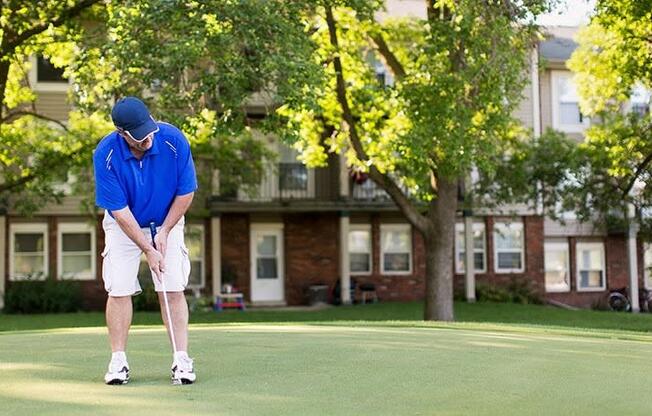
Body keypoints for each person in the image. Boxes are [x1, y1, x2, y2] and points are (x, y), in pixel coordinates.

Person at [93, 96, 198, 385]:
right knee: (119, 288)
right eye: (139, 136)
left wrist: (163, 232)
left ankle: (181, 359)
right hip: (123, 225)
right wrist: (147, 248)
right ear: (122, 133)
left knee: (173, 286)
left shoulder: (173, 140)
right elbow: (119, 212)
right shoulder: (106, 154)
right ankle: (118, 362)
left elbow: (186, 192)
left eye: (149, 131)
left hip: (167, 220)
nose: (147, 139)